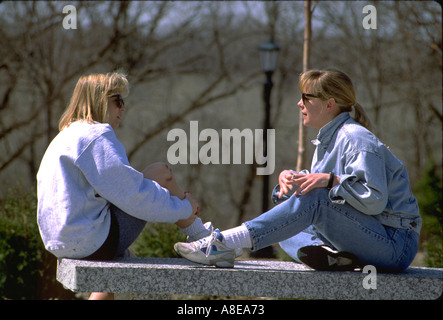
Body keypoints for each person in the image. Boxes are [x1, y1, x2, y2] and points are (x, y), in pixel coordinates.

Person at [174, 69, 421, 272]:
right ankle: (331, 256)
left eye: (306, 97)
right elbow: (328, 192)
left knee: (312, 199)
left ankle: (223, 243)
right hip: (368, 236)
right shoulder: (330, 138)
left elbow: (374, 200)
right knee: (284, 219)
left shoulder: (356, 139)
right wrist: (293, 181)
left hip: (394, 244)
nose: (299, 103)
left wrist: (330, 180)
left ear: (329, 104)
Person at [37, 72, 212, 300]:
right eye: (118, 101)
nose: (123, 108)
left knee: (113, 270)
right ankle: (200, 236)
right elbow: (133, 195)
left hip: (60, 241)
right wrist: (185, 207)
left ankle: (199, 235)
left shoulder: (65, 135)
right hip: (90, 240)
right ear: (100, 100)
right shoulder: (97, 135)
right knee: (160, 172)